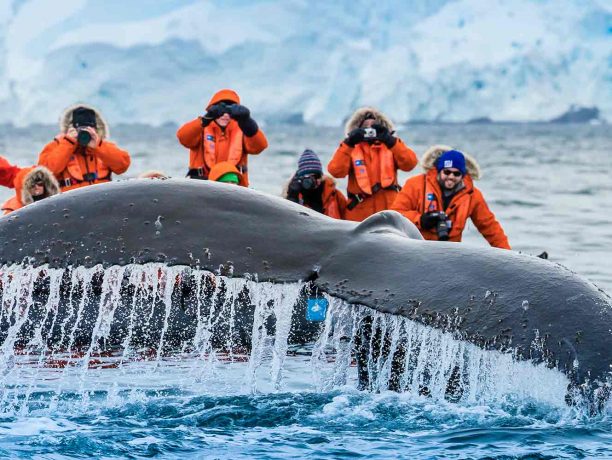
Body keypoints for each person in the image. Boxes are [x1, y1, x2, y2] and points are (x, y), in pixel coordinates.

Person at [391, 146, 510, 249]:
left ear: (463, 175)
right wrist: (420, 220)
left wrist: (508, 256)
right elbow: (395, 214)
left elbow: (490, 227)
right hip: (417, 249)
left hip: (450, 255)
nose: (451, 177)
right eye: (447, 172)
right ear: (439, 171)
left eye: (456, 173)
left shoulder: (472, 195)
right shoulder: (415, 184)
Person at [327, 107, 418, 221]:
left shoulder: (391, 145)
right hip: (359, 214)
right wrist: (349, 143)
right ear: (357, 129)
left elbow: (410, 164)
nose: (369, 131)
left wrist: (391, 141)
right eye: (365, 128)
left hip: (389, 212)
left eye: (374, 127)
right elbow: (336, 171)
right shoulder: (351, 148)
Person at [176, 89, 268, 185]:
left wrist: (248, 122)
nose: (225, 115)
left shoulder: (243, 129)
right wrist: (206, 118)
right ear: (212, 109)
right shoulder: (201, 127)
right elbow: (183, 137)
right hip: (202, 186)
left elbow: (260, 147)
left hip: (235, 188)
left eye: (230, 111)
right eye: (221, 110)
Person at [38, 105, 131, 192]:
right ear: (70, 129)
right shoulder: (57, 146)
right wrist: (68, 143)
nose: (84, 133)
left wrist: (98, 146)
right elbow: (44, 174)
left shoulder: (103, 146)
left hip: (101, 202)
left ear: (96, 130)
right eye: (80, 129)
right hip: (70, 206)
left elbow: (122, 166)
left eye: (88, 129)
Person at [284, 149, 347, 219]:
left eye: (317, 176)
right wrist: (292, 198)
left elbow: (350, 220)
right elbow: (288, 223)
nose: (316, 180)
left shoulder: (334, 195)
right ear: (302, 178)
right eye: (311, 178)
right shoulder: (294, 195)